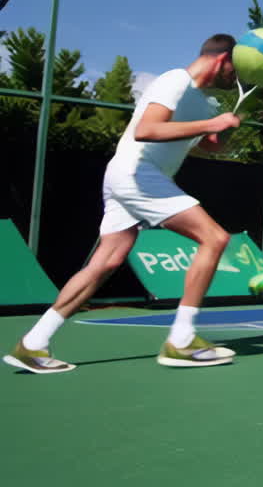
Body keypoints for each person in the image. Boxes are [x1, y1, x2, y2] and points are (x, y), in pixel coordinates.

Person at [5, 34, 244, 373]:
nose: (235, 79)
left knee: (106, 261)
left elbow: (210, 146)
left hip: (127, 177)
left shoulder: (207, 103)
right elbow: (146, 130)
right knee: (215, 238)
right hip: (137, 173)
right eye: (234, 70)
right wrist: (210, 124)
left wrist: (226, 129)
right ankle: (181, 340)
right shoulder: (175, 80)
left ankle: (33, 343)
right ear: (221, 60)